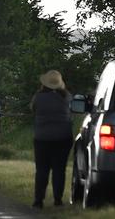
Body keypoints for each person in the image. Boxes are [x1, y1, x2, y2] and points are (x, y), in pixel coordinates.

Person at [30, 69, 72, 208]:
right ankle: (58, 200)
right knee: (59, 170)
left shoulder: (39, 97)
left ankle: (38, 200)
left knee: (42, 170)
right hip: (63, 138)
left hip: (42, 138)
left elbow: (33, 109)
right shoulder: (66, 97)